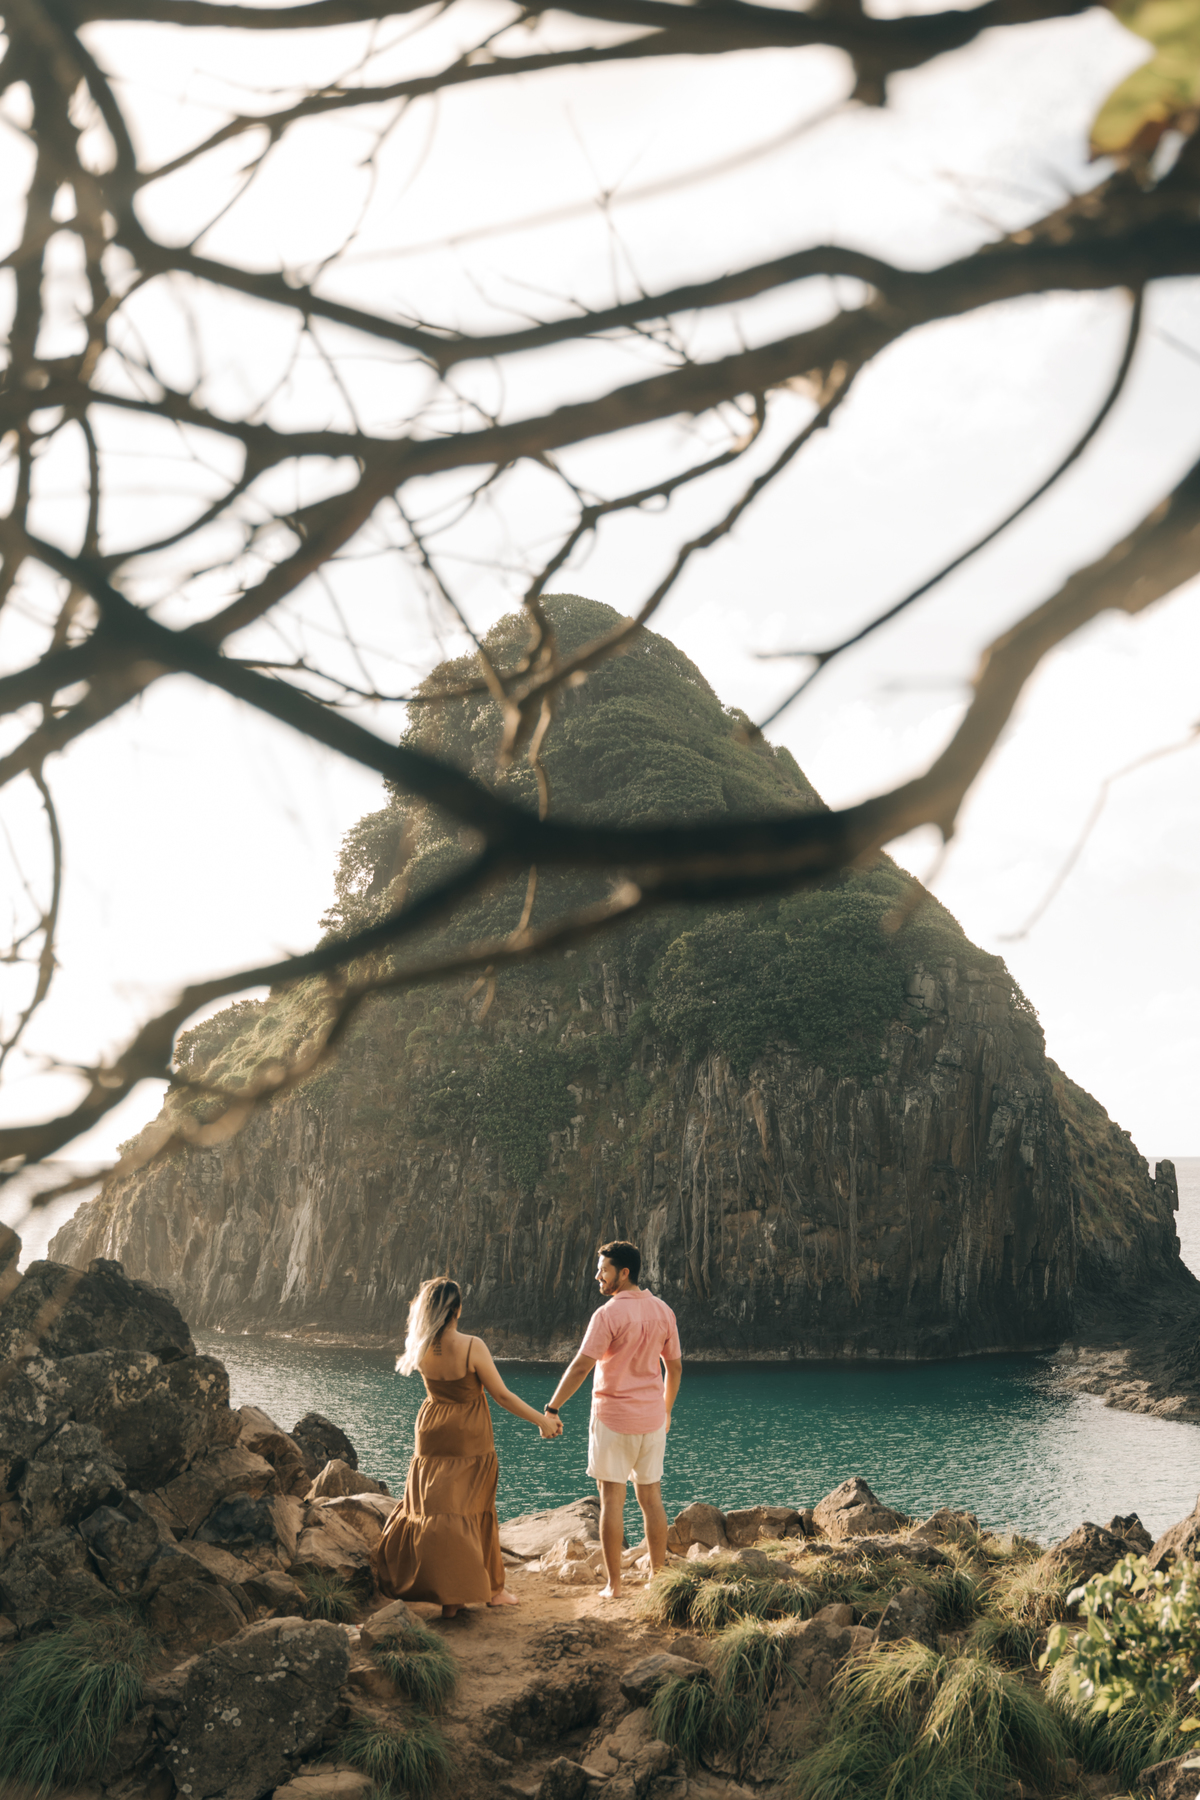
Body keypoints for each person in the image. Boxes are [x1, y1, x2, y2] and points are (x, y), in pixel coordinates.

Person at [372, 1275, 562, 1617]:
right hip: (468, 1435)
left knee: (435, 1509)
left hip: (431, 1430)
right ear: (457, 1309)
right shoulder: (472, 1345)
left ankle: (451, 1596)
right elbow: (501, 1395)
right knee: (474, 1507)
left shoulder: (419, 1345)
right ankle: (491, 1590)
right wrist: (542, 1420)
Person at [545, 1240, 682, 1600]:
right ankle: (659, 1579)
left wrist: (553, 1407)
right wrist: (666, 1409)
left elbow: (581, 1365)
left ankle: (614, 1586)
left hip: (613, 1419)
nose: (597, 1277)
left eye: (603, 1270)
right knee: (652, 1499)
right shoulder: (663, 1310)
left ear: (623, 1273)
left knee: (611, 1503)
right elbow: (676, 1365)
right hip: (652, 1420)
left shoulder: (607, 1315)